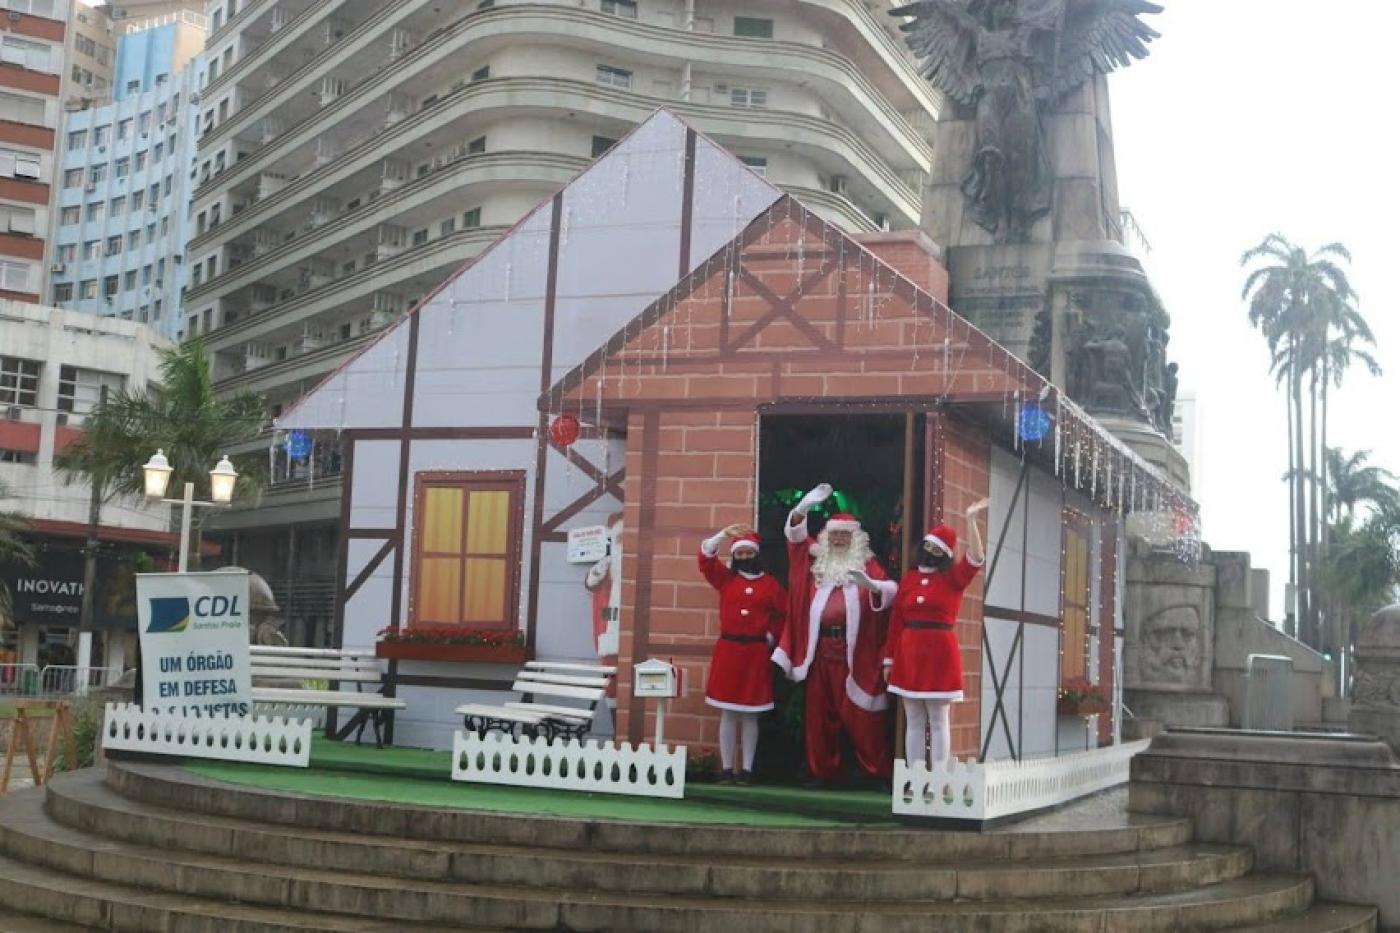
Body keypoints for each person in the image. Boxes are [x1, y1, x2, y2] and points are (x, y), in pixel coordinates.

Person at [775, 483, 896, 785]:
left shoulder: (868, 565)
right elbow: (795, 540)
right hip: (819, 652)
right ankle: (823, 772)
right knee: (818, 716)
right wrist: (801, 509)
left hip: (854, 653)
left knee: (862, 716)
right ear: (827, 537)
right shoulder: (816, 563)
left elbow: (893, 592)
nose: (840, 539)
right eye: (835, 534)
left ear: (856, 538)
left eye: (845, 534)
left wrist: (874, 587)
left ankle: (875, 771)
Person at [882, 500, 989, 770]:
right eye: (927, 546)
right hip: (909, 652)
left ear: (944, 554)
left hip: (940, 652)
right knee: (914, 718)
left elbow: (976, 558)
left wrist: (971, 520)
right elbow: (896, 622)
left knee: (939, 719)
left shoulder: (953, 578)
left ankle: (938, 778)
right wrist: (889, 660)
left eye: (935, 549)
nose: (929, 552)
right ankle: (916, 777)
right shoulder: (908, 579)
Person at [698, 524, 786, 784]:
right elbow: (705, 560)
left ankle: (747, 769)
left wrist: (771, 636)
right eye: (740, 554)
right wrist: (721, 537)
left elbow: (784, 616)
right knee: (727, 712)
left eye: (749, 553)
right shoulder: (726, 579)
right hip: (729, 652)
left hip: (756, 654)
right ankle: (726, 768)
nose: (745, 558)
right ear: (734, 556)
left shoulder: (771, 585)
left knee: (750, 714)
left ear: (757, 555)